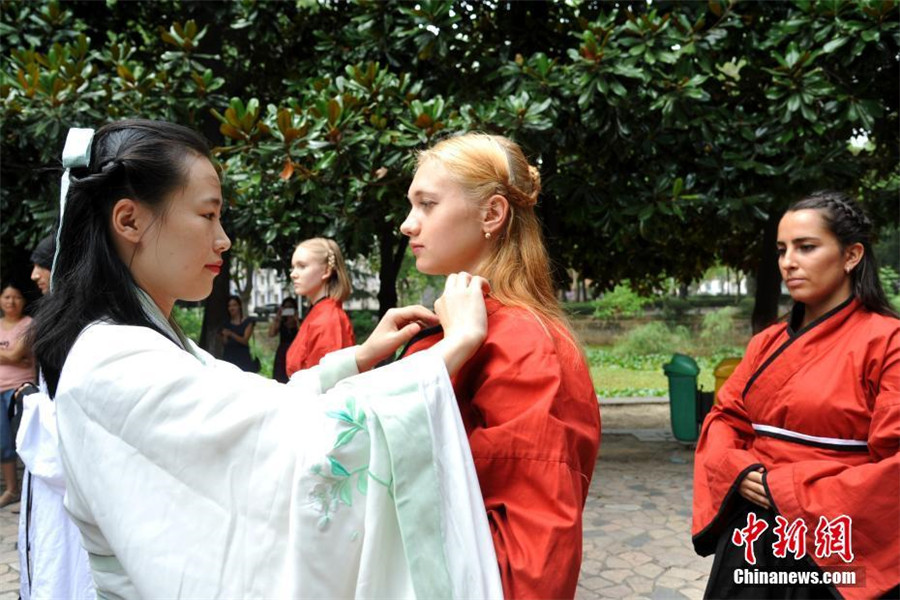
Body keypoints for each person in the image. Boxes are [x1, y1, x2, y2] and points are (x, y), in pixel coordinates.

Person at [30, 119, 503, 598]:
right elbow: (285, 441)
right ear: (129, 220)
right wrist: (448, 351)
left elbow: (260, 408)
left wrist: (358, 358)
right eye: (207, 215)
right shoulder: (113, 361)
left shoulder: (143, 342)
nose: (224, 239)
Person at [396, 133, 602, 599]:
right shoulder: (468, 326)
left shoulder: (521, 341)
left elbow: (535, 548)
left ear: (491, 213)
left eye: (427, 204)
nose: (408, 225)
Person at [692, 191, 899, 600]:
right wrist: (739, 469)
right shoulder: (765, 343)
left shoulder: (888, 342)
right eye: (782, 249)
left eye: (807, 247)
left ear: (851, 255)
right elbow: (724, 419)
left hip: (837, 535)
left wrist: (789, 490)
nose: (789, 262)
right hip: (754, 535)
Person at [16, 236, 95, 600]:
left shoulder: (83, 324)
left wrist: (34, 404)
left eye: (43, 264)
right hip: (50, 469)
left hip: (66, 464)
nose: (34, 275)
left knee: (67, 561)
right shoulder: (58, 316)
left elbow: (77, 412)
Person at [285, 237, 355, 376]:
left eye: (302, 266)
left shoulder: (328, 320)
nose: (293, 274)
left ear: (327, 270)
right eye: (293, 267)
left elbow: (324, 382)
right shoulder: (319, 313)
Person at [0, 281, 34, 507]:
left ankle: (32, 492)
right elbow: (12, 356)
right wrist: (13, 356)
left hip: (21, 388)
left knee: (27, 440)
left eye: (16, 297)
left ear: (23, 301)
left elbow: (14, 356)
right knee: (3, 442)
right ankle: (12, 490)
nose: (11, 301)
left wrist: (15, 357)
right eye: (6, 297)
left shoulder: (29, 324)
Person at [220, 294, 256, 372]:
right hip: (229, 356)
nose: (232, 308)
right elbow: (224, 343)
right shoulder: (226, 323)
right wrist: (225, 336)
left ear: (239, 306)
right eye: (229, 306)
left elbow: (245, 341)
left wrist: (231, 334)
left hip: (243, 357)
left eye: (234, 305)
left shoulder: (248, 322)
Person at [268, 296, 299, 383]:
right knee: (280, 376)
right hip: (283, 351)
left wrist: (296, 319)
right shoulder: (281, 322)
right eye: (286, 307)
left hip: (295, 350)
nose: (288, 309)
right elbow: (271, 334)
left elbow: (302, 333)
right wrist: (278, 317)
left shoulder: (299, 321)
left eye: (290, 307)